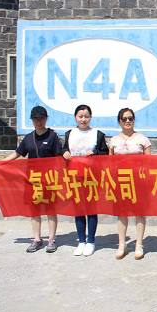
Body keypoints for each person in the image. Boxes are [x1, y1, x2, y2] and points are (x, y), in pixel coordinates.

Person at [4, 106, 62, 253]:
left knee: (50, 209)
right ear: (32, 120)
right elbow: (18, 153)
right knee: (34, 210)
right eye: (35, 118)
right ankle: (37, 239)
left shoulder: (53, 136)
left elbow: (58, 157)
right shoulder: (29, 138)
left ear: (46, 119)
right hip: (33, 179)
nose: (38, 121)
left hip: (49, 179)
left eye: (41, 118)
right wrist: (1, 163)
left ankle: (51, 240)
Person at [62, 104, 109, 257]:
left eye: (86, 116)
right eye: (80, 116)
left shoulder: (97, 134)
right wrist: (64, 152)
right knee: (79, 210)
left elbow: (105, 153)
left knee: (91, 209)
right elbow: (63, 150)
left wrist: (95, 153)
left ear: (90, 117)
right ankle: (81, 241)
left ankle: (91, 241)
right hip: (75, 176)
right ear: (75, 117)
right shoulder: (70, 133)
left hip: (92, 177)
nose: (83, 119)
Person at [108, 108, 151, 260]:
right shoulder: (114, 140)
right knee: (121, 213)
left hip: (139, 181)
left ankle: (139, 244)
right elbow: (110, 162)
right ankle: (122, 245)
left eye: (130, 118)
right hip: (120, 181)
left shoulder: (142, 139)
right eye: (124, 119)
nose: (127, 121)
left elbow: (149, 162)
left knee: (139, 212)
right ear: (119, 121)